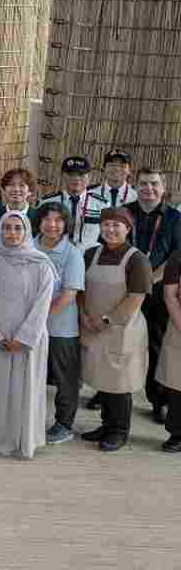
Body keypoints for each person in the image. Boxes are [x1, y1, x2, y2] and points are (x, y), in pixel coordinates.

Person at [77, 207, 151, 451]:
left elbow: (136, 297)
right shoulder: (91, 254)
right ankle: (106, 425)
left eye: (116, 225)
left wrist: (106, 320)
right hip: (93, 326)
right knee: (103, 379)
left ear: (128, 229)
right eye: (106, 225)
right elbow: (80, 288)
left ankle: (119, 431)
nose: (110, 229)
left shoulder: (137, 259)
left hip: (121, 329)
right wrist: (85, 315)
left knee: (119, 383)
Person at [0, 211, 56, 459]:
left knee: (26, 389)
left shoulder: (41, 264)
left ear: (27, 231)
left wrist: (24, 337)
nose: (12, 233)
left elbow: (43, 305)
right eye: (7, 227)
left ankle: (23, 439)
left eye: (17, 228)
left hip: (28, 339)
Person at [122, 168, 181, 423]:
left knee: (156, 346)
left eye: (154, 183)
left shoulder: (175, 218)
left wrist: (148, 281)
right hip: (125, 290)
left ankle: (159, 401)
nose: (149, 188)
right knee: (119, 342)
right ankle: (110, 393)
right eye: (143, 183)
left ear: (163, 187)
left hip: (159, 292)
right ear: (135, 186)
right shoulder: (124, 212)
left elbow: (176, 258)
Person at [35, 204, 86, 445]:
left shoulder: (72, 254)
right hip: (27, 325)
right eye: (47, 219)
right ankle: (30, 419)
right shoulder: (27, 246)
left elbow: (68, 295)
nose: (52, 225)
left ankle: (64, 424)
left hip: (60, 328)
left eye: (58, 220)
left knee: (65, 380)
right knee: (32, 374)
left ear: (67, 224)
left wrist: (38, 319)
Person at [36, 156, 108, 250]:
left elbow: (106, 236)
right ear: (62, 176)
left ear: (89, 177)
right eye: (71, 174)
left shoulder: (102, 205)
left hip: (88, 255)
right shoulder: (47, 202)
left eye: (81, 174)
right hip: (53, 253)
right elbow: (38, 233)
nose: (76, 178)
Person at [0, 168, 39, 253]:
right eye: (11, 185)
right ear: (4, 190)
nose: (16, 189)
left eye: (21, 185)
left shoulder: (39, 217)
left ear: (30, 191)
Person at [160, 250, 181, 452]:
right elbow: (170, 295)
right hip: (179, 325)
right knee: (178, 385)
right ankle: (177, 433)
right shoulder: (178, 257)